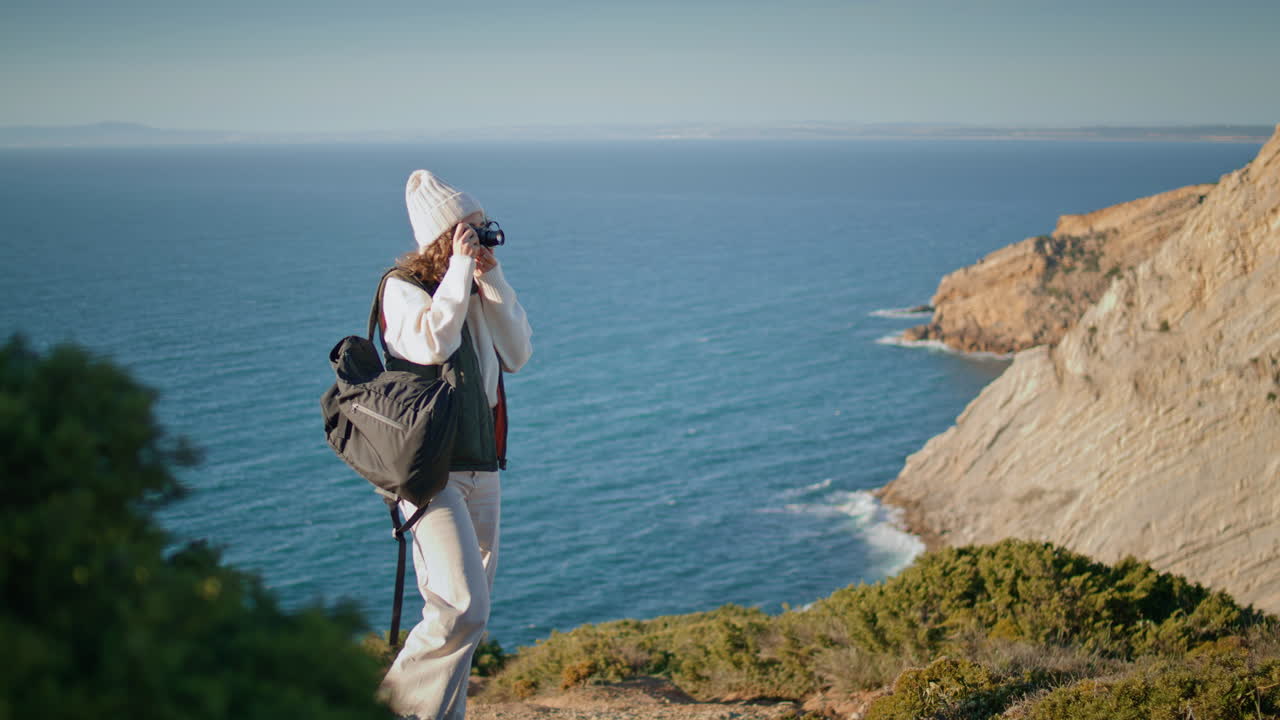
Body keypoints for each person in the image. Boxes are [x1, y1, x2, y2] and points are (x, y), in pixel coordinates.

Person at [377, 170, 533, 719]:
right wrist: (461, 272)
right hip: (429, 472)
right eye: (469, 230)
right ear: (442, 237)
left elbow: (517, 354)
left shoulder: (473, 287)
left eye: (481, 227)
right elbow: (430, 343)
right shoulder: (401, 289)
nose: (481, 236)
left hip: (482, 463)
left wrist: (493, 281)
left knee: (472, 613)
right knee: (458, 609)